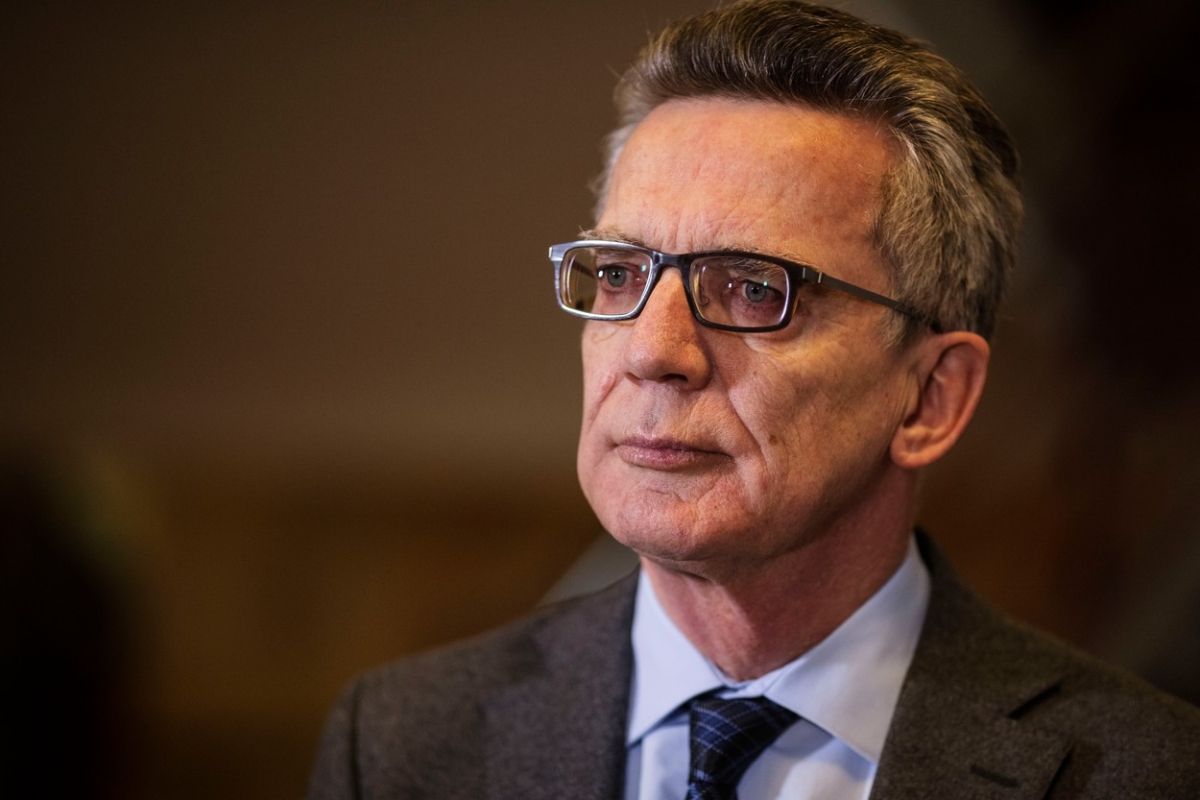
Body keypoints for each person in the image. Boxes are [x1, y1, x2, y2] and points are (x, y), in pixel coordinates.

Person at [308, 2, 1200, 797]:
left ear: (931, 396)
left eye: (753, 289)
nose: (653, 352)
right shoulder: (401, 744)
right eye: (619, 274)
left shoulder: (1149, 774)